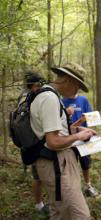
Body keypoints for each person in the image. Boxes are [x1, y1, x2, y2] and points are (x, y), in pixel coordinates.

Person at [30, 63, 96, 219]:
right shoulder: (50, 98)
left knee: (58, 212)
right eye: (77, 86)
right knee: (81, 215)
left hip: (56, 162)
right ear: (67, 80)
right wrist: (78, 137)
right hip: (57, 163)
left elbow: (53, 132)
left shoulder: (50, 95)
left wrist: (75, 130)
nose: (77, 91)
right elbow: (53, 142)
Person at [62, 64, 99, 198]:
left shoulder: (83, 100)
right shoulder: (61, 100)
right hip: (69, 138)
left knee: (85, 162)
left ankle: (88, 185)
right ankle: (73, 188)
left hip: (83, 137)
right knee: (71, 163)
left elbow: (91, 117)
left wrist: (89, 123)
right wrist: (66, 113)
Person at [19, 72, 49, 215]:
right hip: (36, 142)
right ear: (34, 85)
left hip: (27, 142)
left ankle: (39, 203)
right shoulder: (32, 97)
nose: (40, 87)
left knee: (36, 176)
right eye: (38, 84)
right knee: (40, 176)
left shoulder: (23, 96)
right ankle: (40, 205)